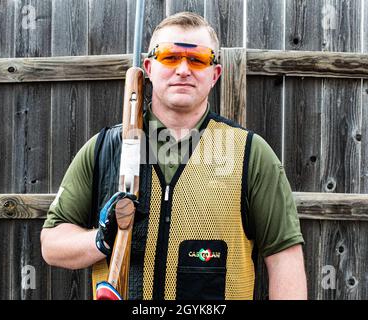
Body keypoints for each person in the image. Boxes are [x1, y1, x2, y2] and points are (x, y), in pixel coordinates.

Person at [41, 11, 307, 300]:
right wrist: (101, 239)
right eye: (169, 57)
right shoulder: (105, 148)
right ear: (149, 68)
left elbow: (284, 258)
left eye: (198, 59)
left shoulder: (251, 153)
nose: (183, 70)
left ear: (214, 73)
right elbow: (52, 243)